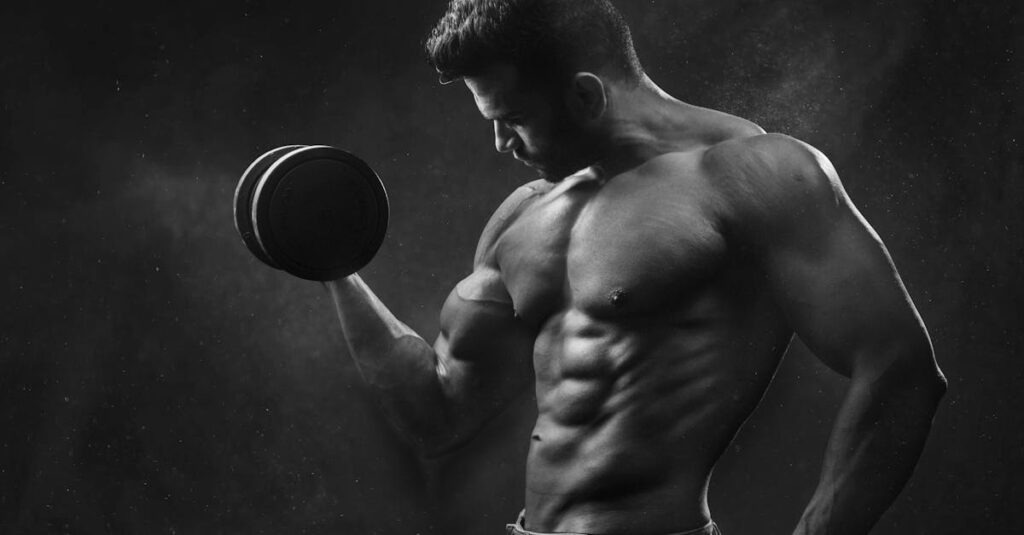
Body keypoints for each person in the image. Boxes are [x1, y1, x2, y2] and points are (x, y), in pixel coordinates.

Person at [324, 1, 947, 533]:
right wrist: (335, 269)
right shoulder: (524, 216)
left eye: (512, 119)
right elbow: (438, 416)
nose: (500, 144)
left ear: (585, 95)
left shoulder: (750, 176)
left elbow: (901, 370)